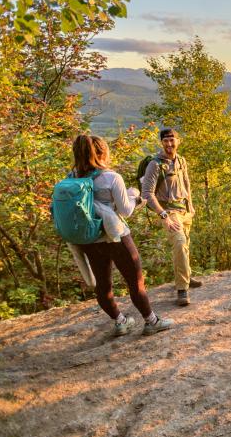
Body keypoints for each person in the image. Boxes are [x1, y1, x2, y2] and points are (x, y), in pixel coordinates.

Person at [72, 134, 173, 336]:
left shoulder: (73, 176)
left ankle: (120, 321)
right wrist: (136, 197)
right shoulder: (111, 177)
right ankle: (151, 321)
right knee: (135, 281)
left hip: (89, 238)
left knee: (103, 284)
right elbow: (125, 210)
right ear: (101, 153)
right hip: (115, 237)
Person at [141, 128, 200, 306]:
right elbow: (147, 194)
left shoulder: (181, 160)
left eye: (172, 140)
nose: (169, 144)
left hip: (185, 210)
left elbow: (186, 183)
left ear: (178, 141)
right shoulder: (155, 164)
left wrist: (191, 206)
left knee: (185, 244)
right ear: (162, 143)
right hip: (170, 212)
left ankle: (187, 276)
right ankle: (182, 289)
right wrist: (164, 215)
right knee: (180, 243)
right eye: (165, 141)